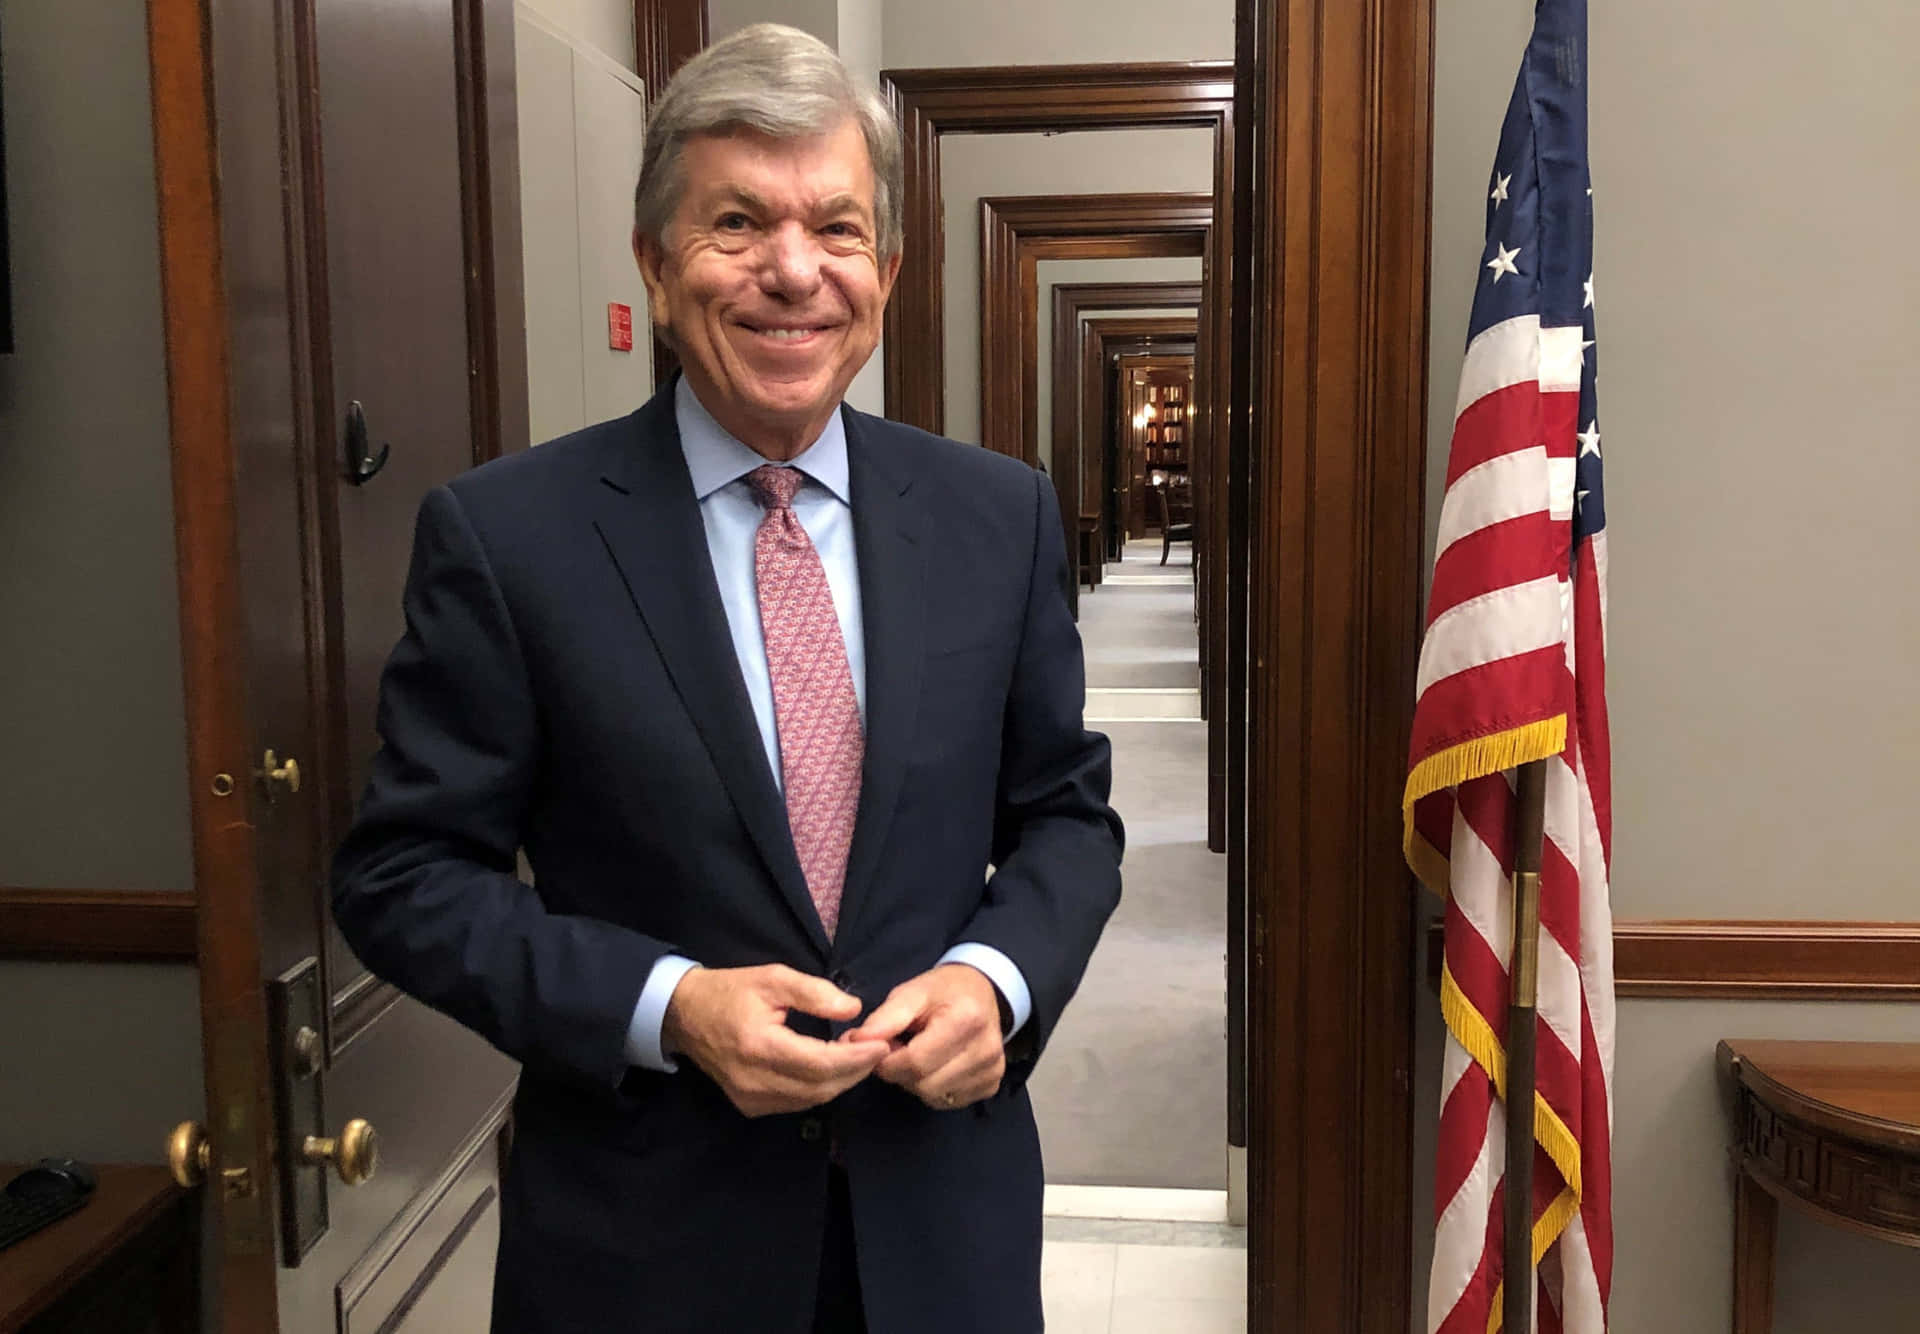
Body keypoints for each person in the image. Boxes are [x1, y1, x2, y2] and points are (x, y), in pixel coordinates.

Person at [331, 22, 1122, 1334]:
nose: (793, 273)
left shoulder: (1000, 517)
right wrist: (669, 1006)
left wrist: (1001, 976)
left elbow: (1068, 817)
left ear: (891, 266)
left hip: (941, 1242)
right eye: (739, 223)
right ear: (653, 260)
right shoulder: (509, 538)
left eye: (837, 228)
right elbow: (399, 877)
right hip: (640, 1257)